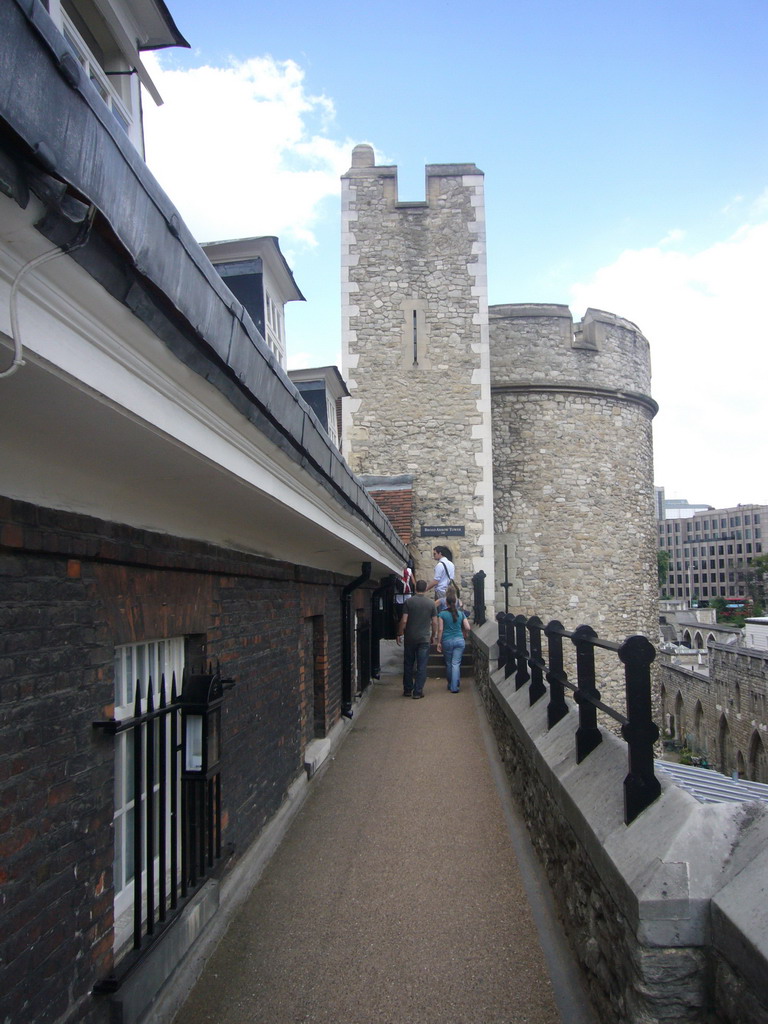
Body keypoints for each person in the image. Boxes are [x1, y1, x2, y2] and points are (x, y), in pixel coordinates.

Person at [396, 579, 437, 699]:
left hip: (410, 637)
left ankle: (408, 689)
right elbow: (434, 622)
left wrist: (399, 633)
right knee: (422, 665)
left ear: (416, 588)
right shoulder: (431, 604)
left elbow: (404, 620)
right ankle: (418, 691)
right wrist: (432, 635)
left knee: (408, 663)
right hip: (424, 638)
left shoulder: (409, 602)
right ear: (425, 589)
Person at [437, 588, 470, 693]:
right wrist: (464, 632)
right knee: (456, 664)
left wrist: (438, 642)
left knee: (449, 663)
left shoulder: (442, 614)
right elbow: (468, 627)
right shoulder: (461, 614)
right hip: (459, 640)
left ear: (446, 603)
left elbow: (440, 629)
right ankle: (455, 686)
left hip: (447, 640)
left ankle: (451, 683)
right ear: (455, 602)